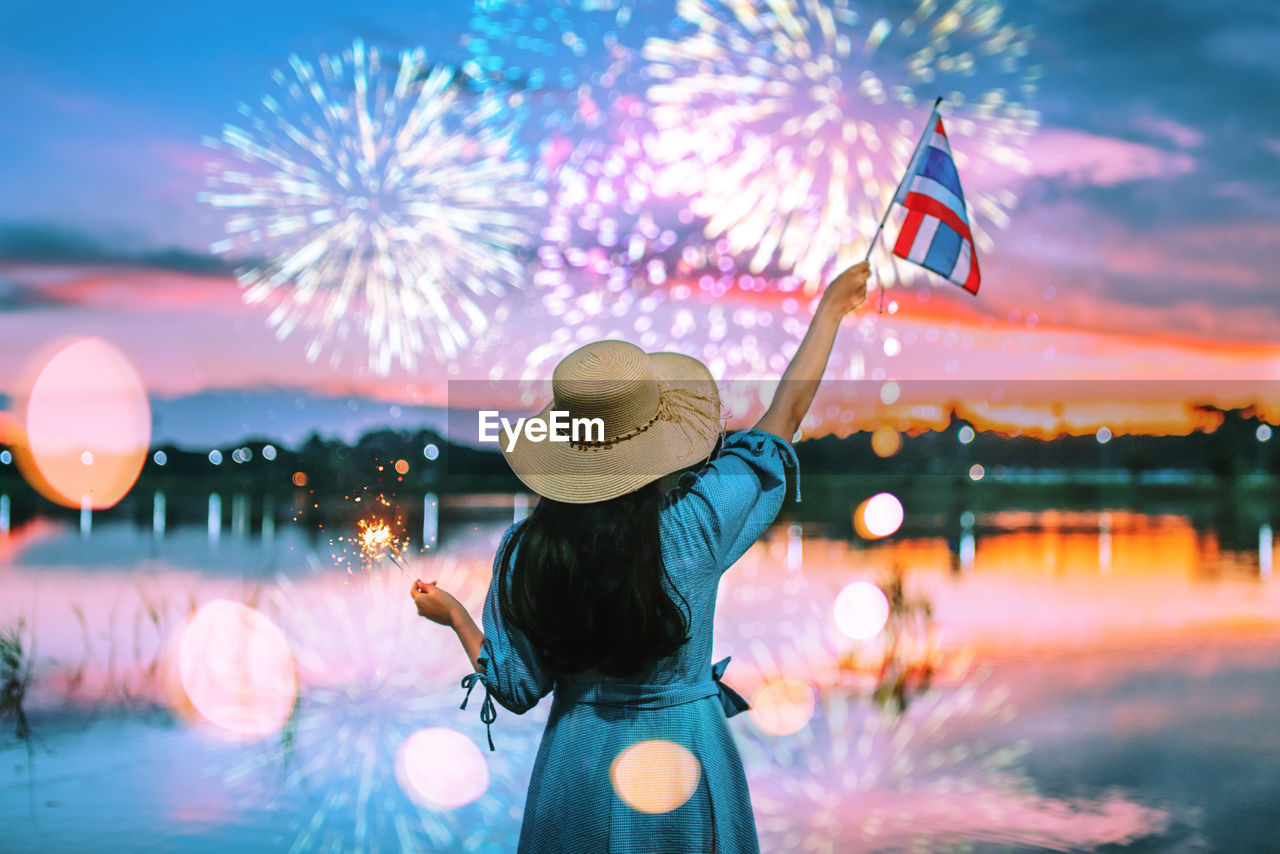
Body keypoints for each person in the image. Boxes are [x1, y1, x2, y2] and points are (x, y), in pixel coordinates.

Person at [411, 261, 871, 852]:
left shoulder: (528, 549)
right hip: (686, 757)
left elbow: (517, 686)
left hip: (578, 767)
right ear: (658, 444)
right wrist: (830, 310)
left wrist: (454, 615)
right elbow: (783, 420)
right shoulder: (696, 524)